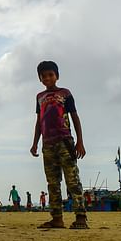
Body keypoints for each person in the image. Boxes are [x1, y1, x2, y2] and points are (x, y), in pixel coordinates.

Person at [30, 60, 88, 229]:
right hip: (47, 145)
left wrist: (80, 142)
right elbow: (39, 121)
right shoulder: (39, 97)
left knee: (72, 180)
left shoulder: (65, 93)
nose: (48, 78)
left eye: (51, 75)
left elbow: (75, 117)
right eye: (44, 76)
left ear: (57, 76)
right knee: (53, 182)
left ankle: (81, 217)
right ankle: (57, 218)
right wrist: (35, 143)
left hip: (65, 142)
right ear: (40, 79)